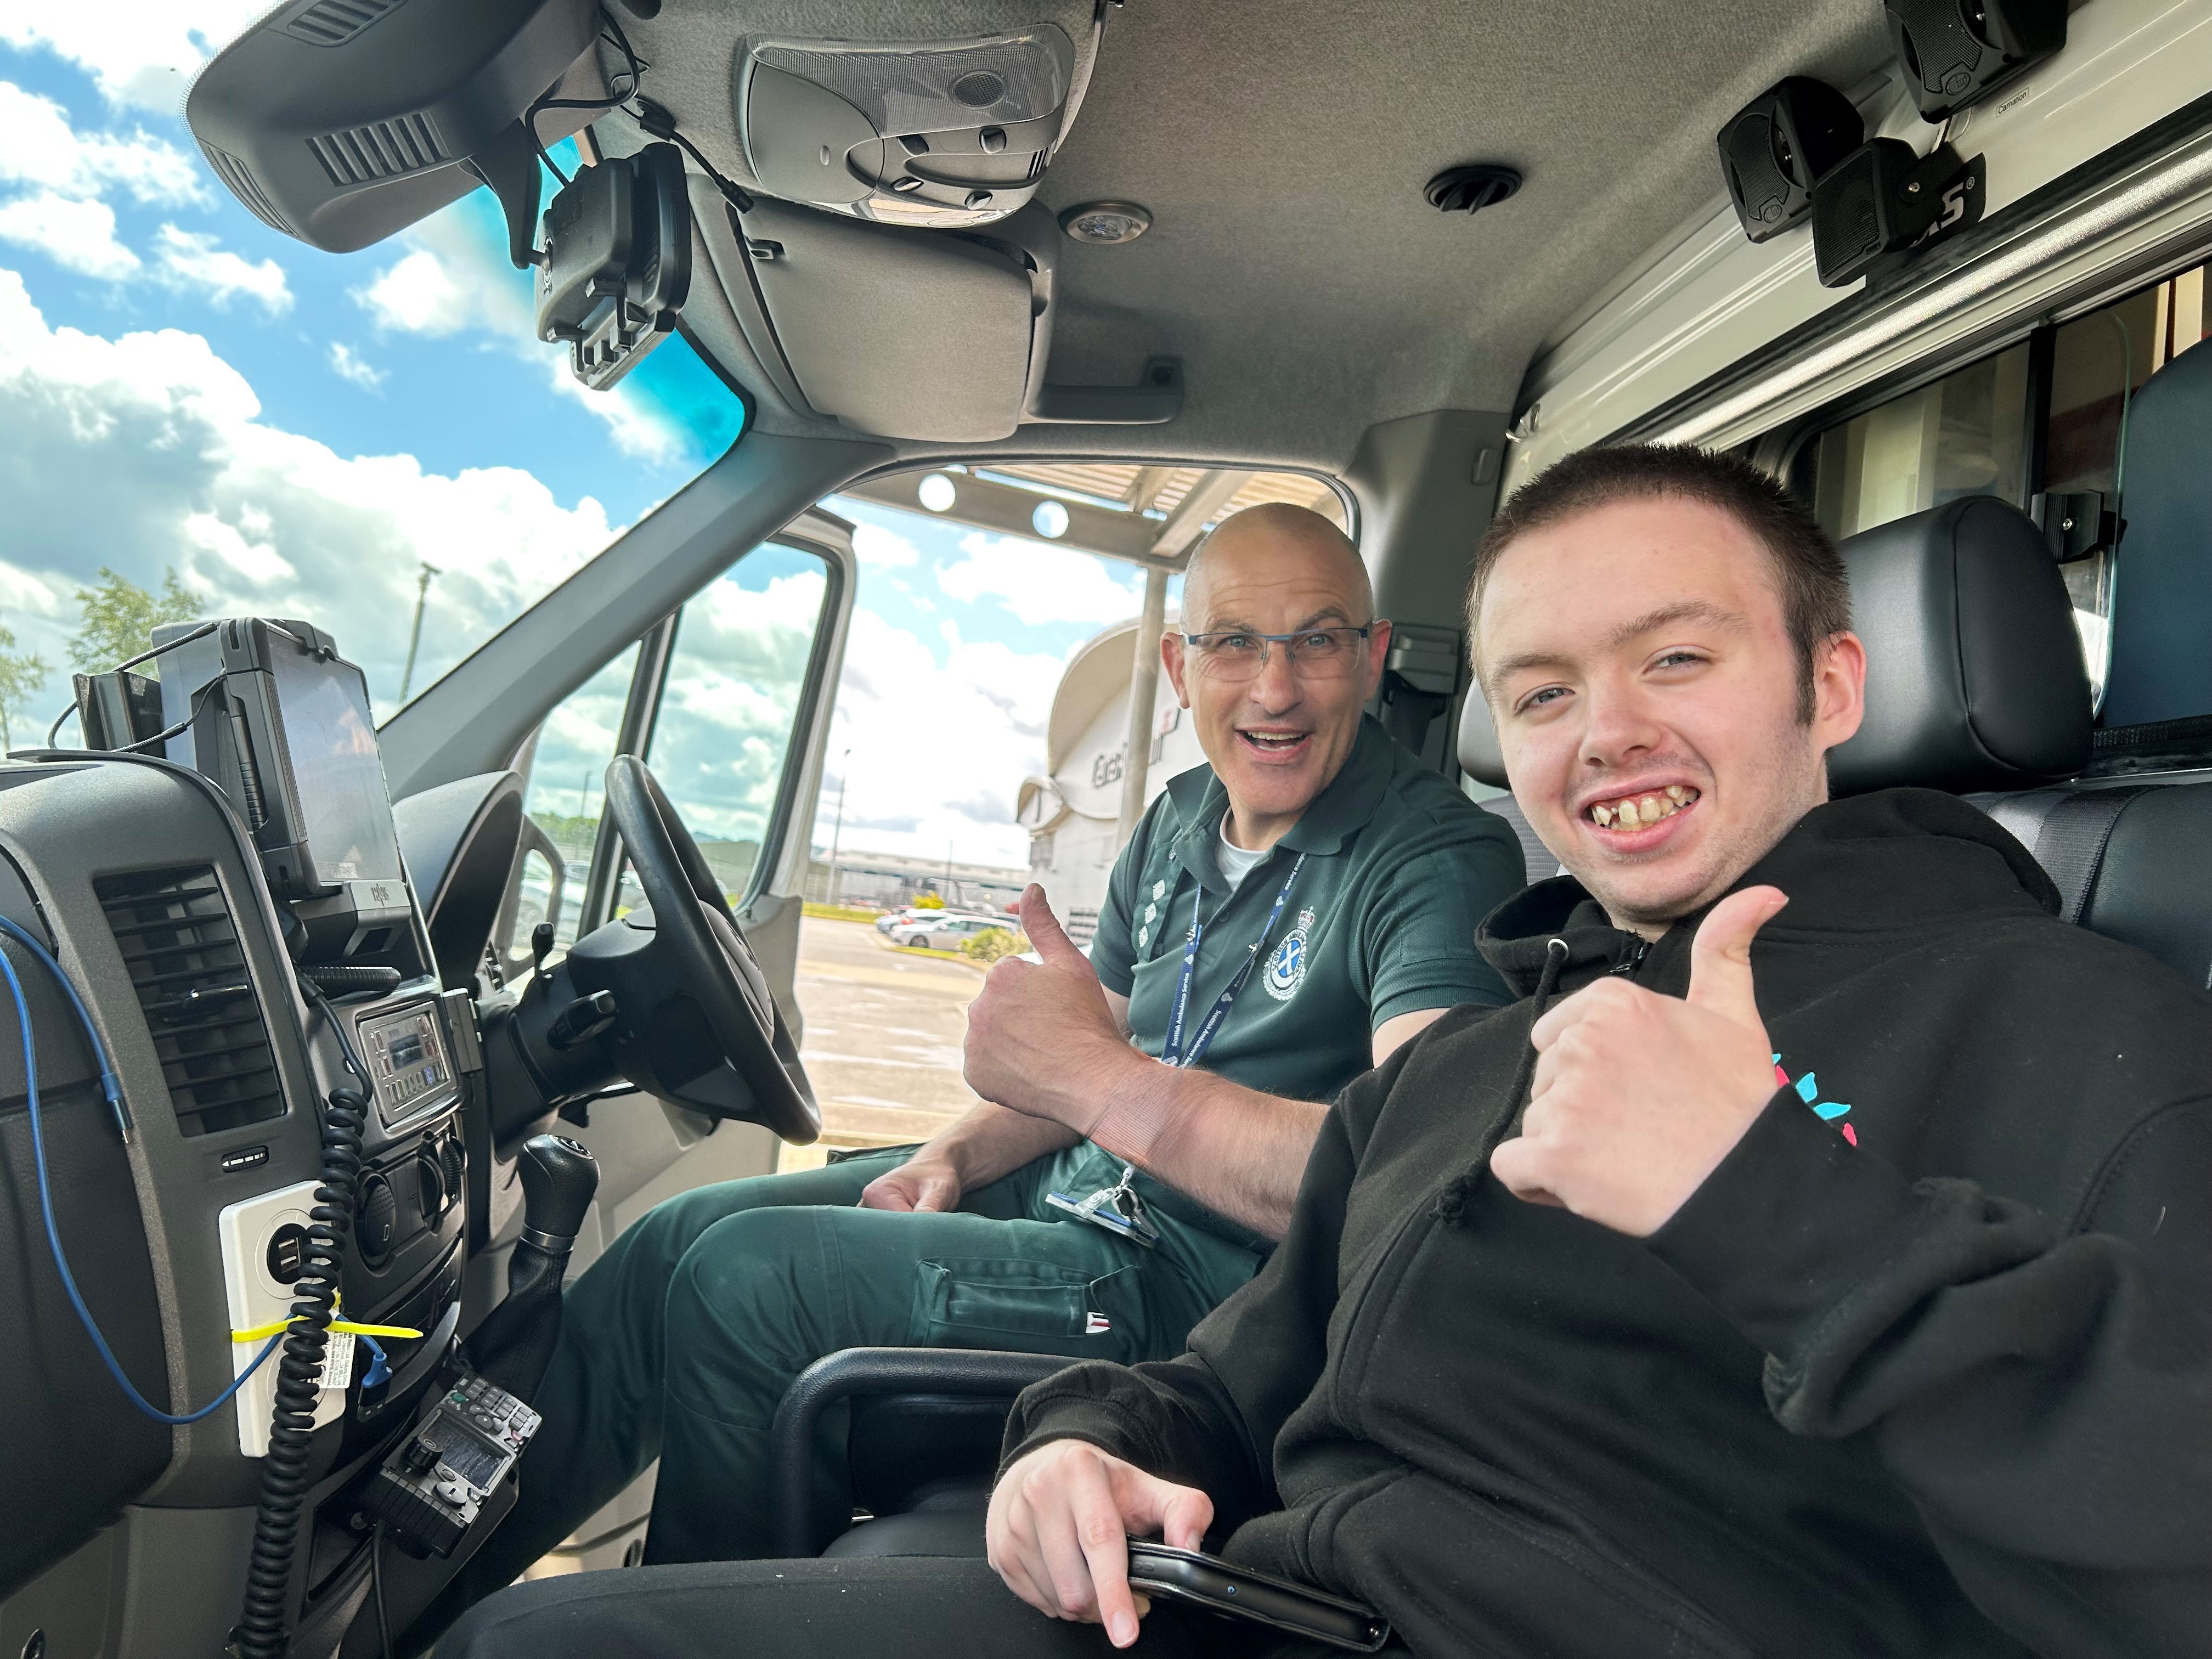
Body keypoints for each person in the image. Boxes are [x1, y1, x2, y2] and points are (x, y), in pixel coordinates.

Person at [440, 444, 2210, 1658]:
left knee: (733, 1290)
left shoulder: (2071, 1021)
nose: (1607, 734)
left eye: (1677, 655)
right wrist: (1080, 1434)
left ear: (1830, 688)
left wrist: (1772, 1206)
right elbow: (1230, 1377)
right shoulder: (1490, 1057)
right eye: (1540, 692)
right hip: (1242, 1598)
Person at [455, 501, 1527, 1589]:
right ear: (1181, 662)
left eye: (1318, 640)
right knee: (670, 1241)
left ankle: (695, 1618)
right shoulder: (1180, 820)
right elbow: (1082, 1053)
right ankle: (421, 1581)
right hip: (1076, 1193)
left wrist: (1111, 1088)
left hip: (1203, 1283)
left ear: (1375, 652)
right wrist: (953, 1160)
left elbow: (1414, 1174)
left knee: (744, 1283)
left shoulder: (1435, 857)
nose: (1276, 688)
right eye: (1238, 643)